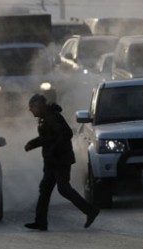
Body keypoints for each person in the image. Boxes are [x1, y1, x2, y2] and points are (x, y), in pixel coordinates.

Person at [24, 94, 99, 231]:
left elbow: (66, 134)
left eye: (31, 107)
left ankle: (90, 211)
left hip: (60, 160)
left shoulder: (53, 117)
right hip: (51, 161)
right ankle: (40, 222)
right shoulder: (45, 118)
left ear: (39, 106)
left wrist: (53, 150)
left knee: (64, 189)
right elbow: (47, 138)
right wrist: (33, 143)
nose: (30, 110)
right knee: (45, 190)